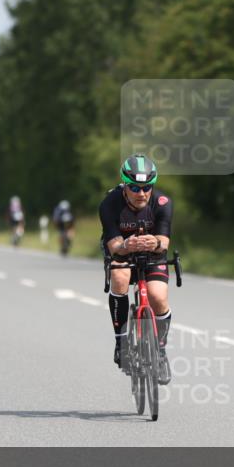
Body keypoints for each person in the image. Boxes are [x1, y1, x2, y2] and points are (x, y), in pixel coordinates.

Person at [99, 154, 173, 384]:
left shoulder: (162, 203)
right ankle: (121, 342)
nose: (141, 193)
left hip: (152, 253)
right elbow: (113, 245)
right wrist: (125, 244)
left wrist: (156, 243)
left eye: (147, 187)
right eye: (134, 187)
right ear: (124, 186)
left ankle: (160, 352)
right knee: (120, 278)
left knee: (157, 297)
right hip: (121, 249)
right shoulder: (110, 203)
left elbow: (164, 239)